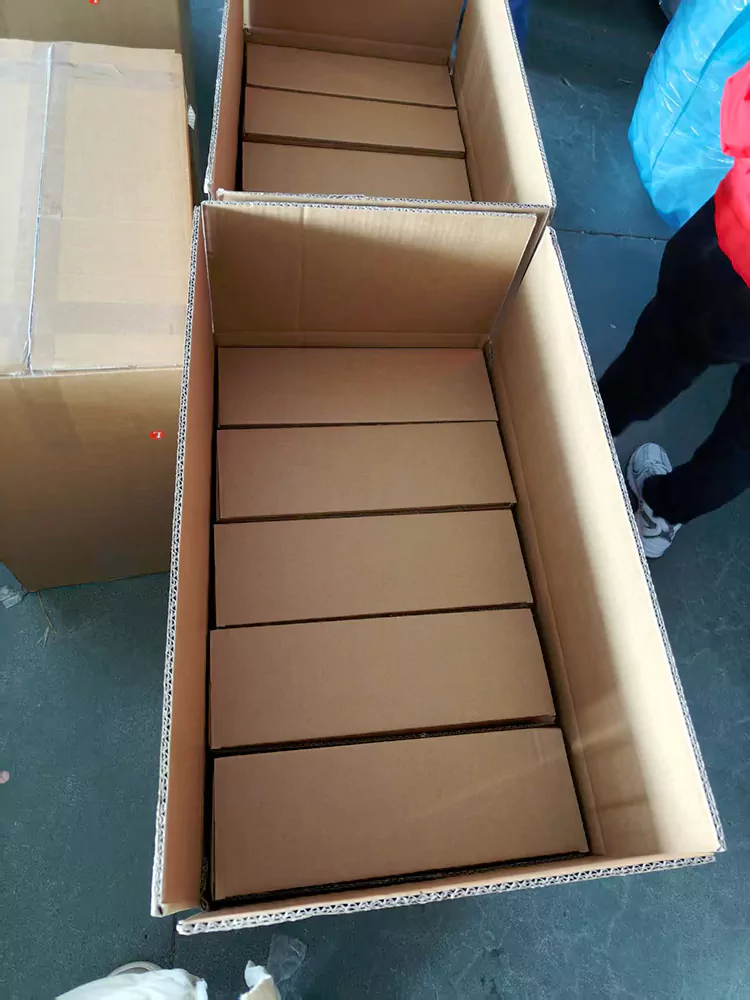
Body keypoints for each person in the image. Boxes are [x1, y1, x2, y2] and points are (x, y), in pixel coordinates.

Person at [599, 59, 750, 558]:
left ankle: (579, 434)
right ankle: (662, 511)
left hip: (738, 260)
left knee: (663, 352)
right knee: (744, 442)